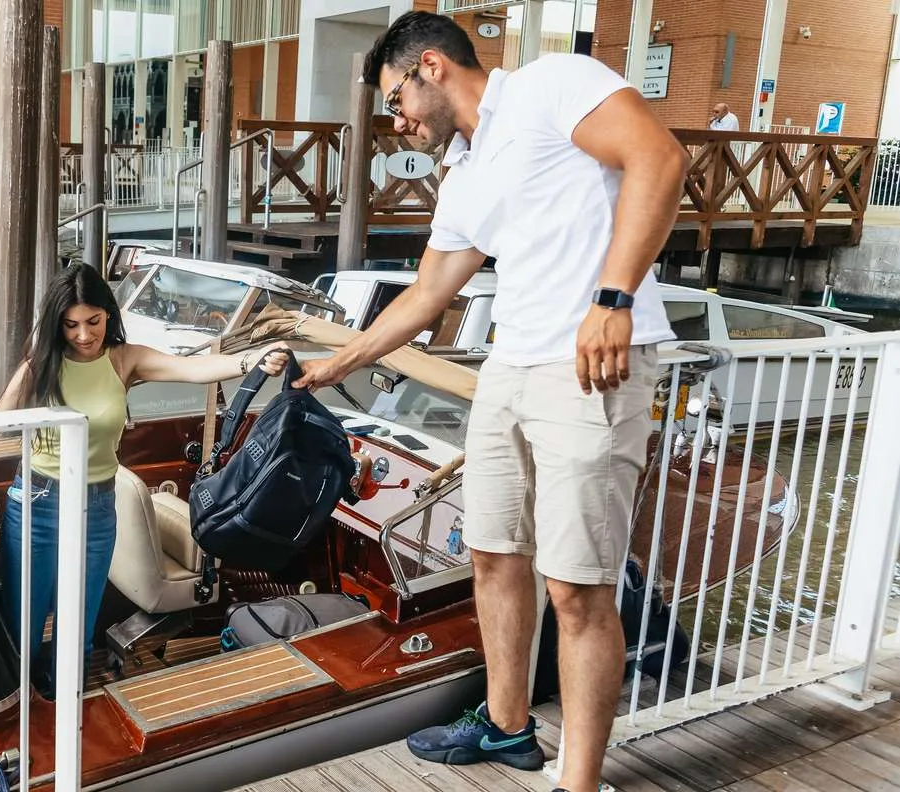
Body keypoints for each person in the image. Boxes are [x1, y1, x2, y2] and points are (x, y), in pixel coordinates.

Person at [290, 12, 684, 792]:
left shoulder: (550, 84)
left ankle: (578, 780)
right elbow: (428, 293)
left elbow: (657, 158)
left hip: (589, 363)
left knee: (576, 585)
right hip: (510, 364)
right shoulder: (464, 173)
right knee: (494, 554)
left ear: (430, 67)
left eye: (395, 99)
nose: (397, 120)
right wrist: (339, 363)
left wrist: (612, 298)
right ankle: (508, 728)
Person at [0, 263, 289, 695]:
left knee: (78, 624)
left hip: (98, 506)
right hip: (38, 503)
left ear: (109, 313)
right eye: (71, 325)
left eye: (93, 321)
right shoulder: (39, 365)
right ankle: (22, 713)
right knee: (23, 623)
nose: (84, 335)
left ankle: (67, 705)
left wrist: (250, 360)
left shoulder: (124, 360)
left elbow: (191, 369)